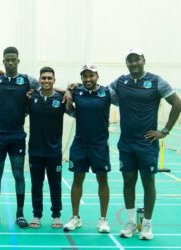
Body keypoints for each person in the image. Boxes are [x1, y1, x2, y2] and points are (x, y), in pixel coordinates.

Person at [111, 49, 181, 240]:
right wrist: (70, 88)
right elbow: (101, 93)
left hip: (147, 144)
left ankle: (147, 225)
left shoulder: (157, 81)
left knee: (148, 182)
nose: (133, 63)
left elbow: (177, 103)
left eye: (137, 60)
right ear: (126, 63)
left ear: (143, 60)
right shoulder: (120, 82)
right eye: (129, 60)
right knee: (128, 182)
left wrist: (164, 132)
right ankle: (131, 222)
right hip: (126, 143)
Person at [0, 47, 40, 229]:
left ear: (18, 60)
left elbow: (45, 87)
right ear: (3, 61)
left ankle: (20, 214)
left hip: (17, 136)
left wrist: (68, 90)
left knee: (18, 175)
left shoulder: (27, 80)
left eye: (13, 60)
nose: (10, 63)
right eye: (7, 60)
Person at [63, 64, 112, 233]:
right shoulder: (77, 92)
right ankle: (75, 217)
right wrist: (68, 91)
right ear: (81, 78)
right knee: (77, 180)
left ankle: (103, 219)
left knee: (102, 181)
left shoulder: (107, 92)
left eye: (91, 75)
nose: (88, 79)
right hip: (80, 144)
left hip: (99, 145)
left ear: (97, 76)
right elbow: (64, 98)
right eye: (85, 76)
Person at [27, 67, 66, 229]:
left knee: (55, 184)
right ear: (39, 80)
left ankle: (56, 215)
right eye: (43, 78)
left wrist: (68, 91)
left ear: (54, 80)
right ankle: (37, 215)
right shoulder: (31, 97)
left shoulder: (62, 99)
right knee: (36, 184)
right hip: (35, 150)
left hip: (54, 151)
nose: (46, 81)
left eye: (49, 78)